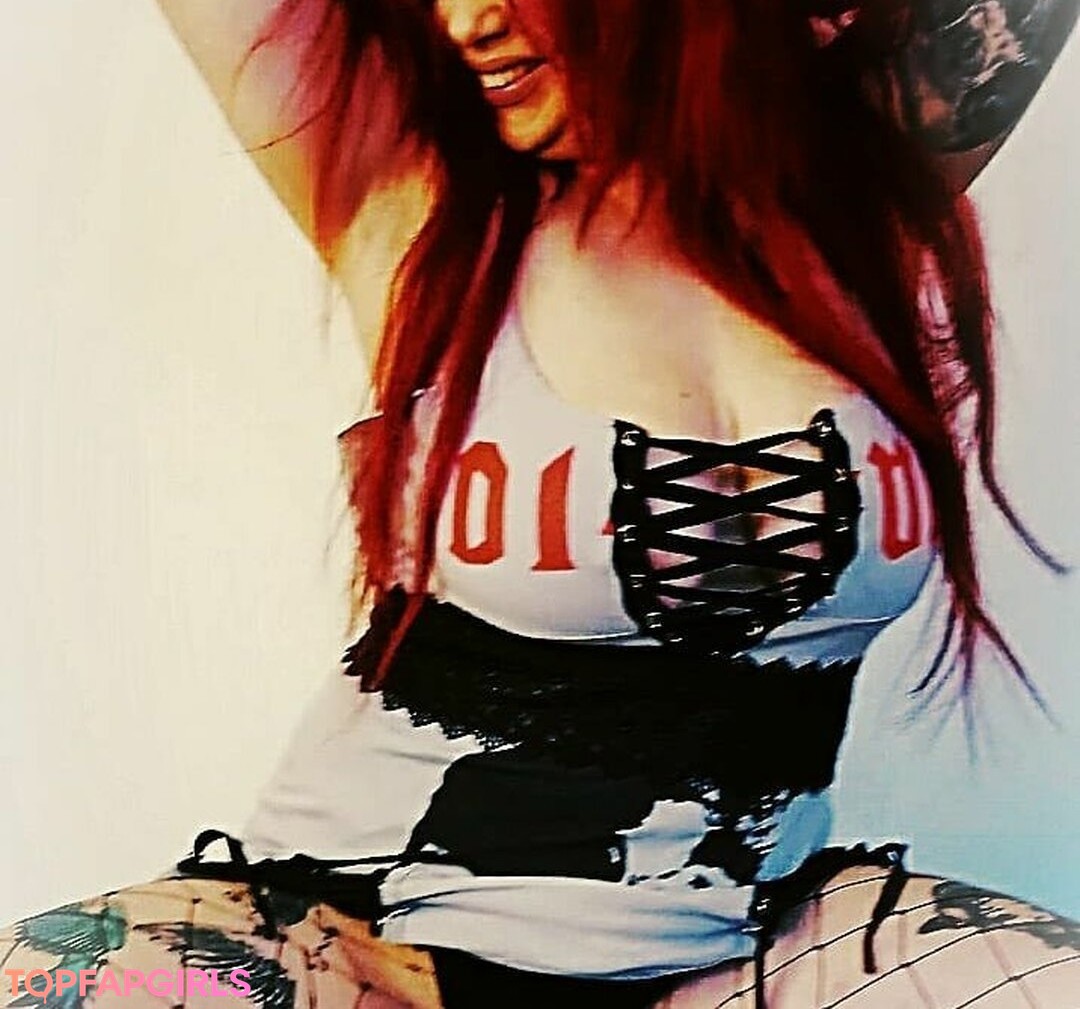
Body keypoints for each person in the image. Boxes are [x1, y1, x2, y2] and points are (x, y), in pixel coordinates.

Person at [4, 1, 1080, 1007]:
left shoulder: (875, 197)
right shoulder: (407, 203)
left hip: (739, 947)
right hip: (374, 941)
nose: (464, 19)